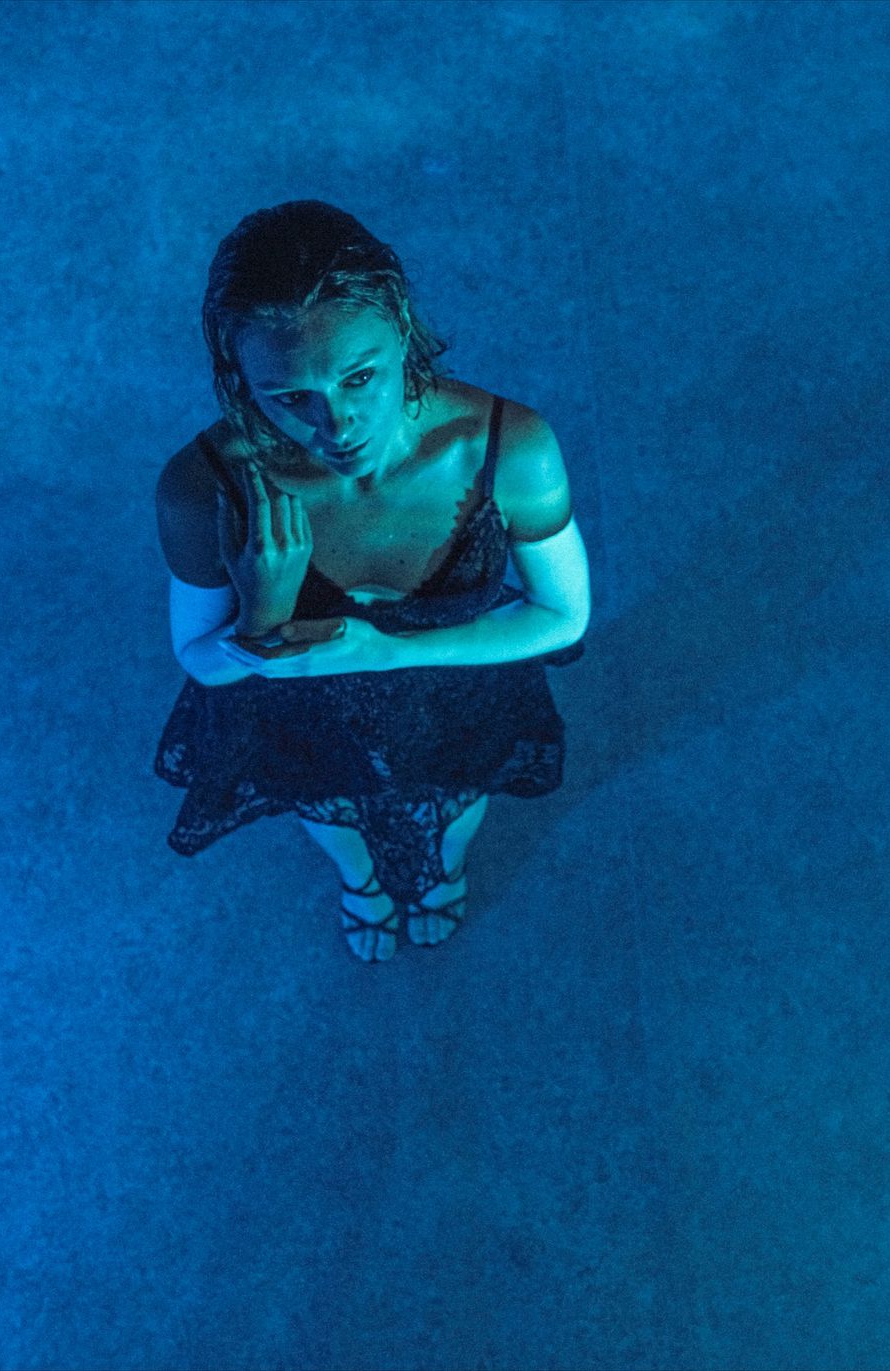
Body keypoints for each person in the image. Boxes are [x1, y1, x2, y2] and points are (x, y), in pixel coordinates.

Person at [152, 200, 589, 964]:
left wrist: (381, 650)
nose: (337, 423)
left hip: (459, 689)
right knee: (328, 809)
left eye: (361, 376)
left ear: (404, 331)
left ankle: (442, 874)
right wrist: (261, 610)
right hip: (305, 716)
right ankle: (364, 885)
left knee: (458, 801)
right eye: (289, 397)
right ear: (239, 377)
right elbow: (197, 655)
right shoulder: (203, 488)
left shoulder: (508, 449)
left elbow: (563, 615)